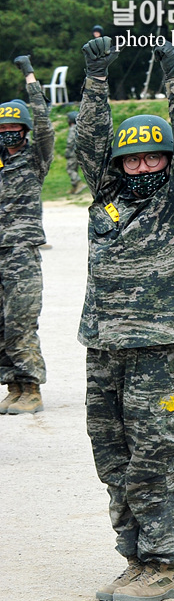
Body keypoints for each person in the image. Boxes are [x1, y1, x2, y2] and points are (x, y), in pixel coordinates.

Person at [75, 37, 174, 601]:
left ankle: (163, 563)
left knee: (155, 453)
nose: (141, 166)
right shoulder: (107, 200)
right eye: (131, 158)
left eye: (152, 157)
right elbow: (88, 143)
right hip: (104, 346)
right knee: (112, 454)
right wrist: (95, 79)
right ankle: (133, 555)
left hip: (161, 348)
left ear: (167, 161)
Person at [0, 57, 54, 415]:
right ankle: (12, 385)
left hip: (22, 249)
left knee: (21, 318)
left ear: (24, 129)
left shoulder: (35, 158)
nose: (7, 132)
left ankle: (31, 385)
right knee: (1, 323)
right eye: (1, 128)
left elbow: (46, 125)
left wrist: (30, 79)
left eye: (13, 127)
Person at [65, 110, 85, 196]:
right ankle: (75, 187)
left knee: (70, 169)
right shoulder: (80, 128)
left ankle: (78, 183)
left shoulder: (73, 128)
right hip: (79, 151)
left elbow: (70, 141)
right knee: (75, 169)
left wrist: (67, 152)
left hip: (73, 151)